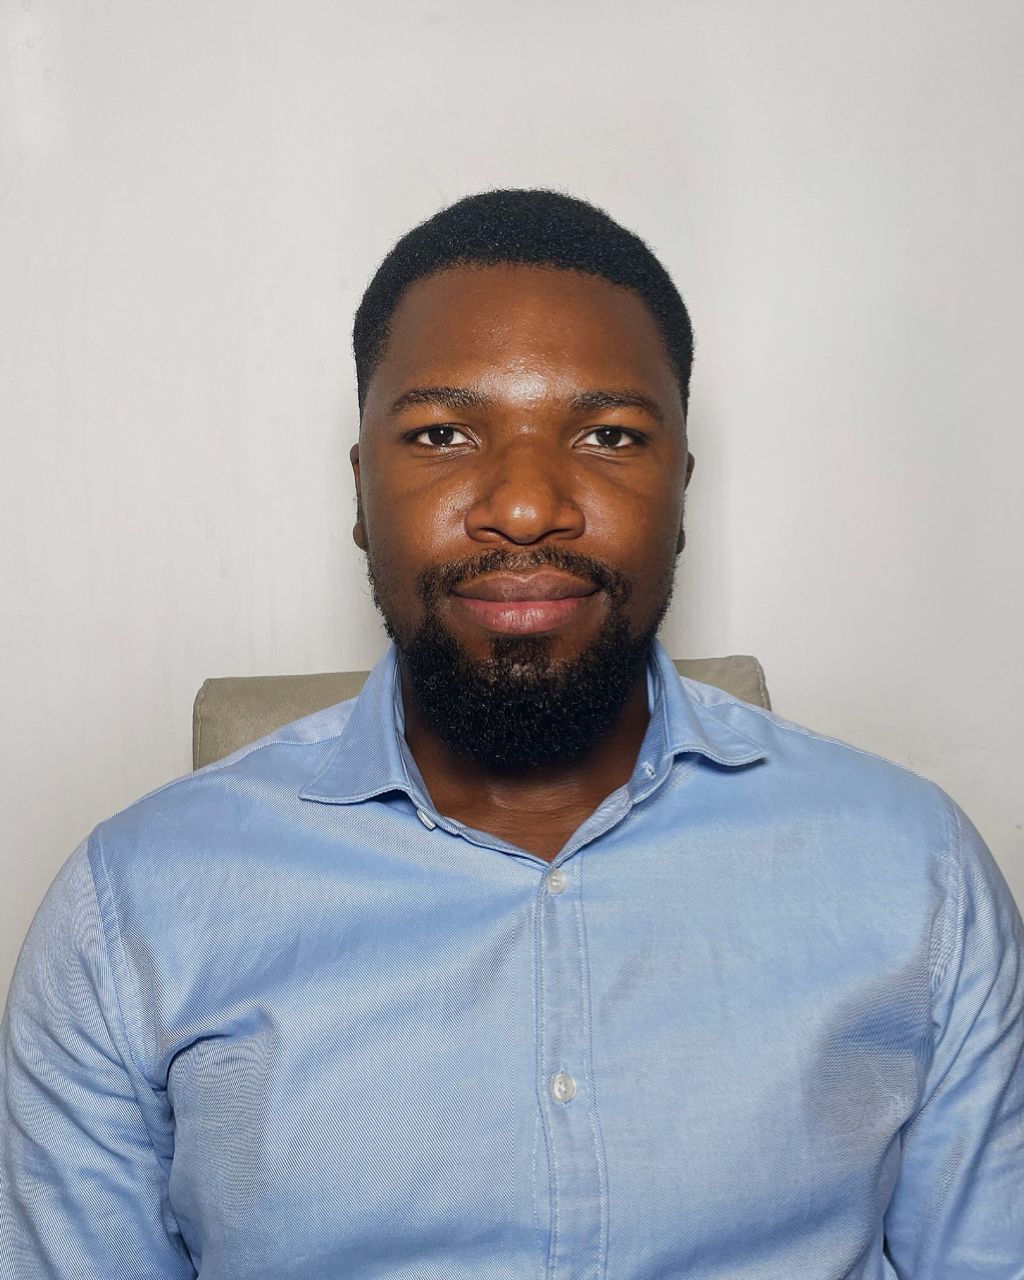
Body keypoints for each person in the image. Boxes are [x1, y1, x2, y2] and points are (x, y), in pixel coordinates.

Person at [1, 189, 1021, 1279]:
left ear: (680, 489)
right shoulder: (134, 909)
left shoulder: (915, 875)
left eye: (608, 435)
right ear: (361, 493)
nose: (526, 507)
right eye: (442, 434)